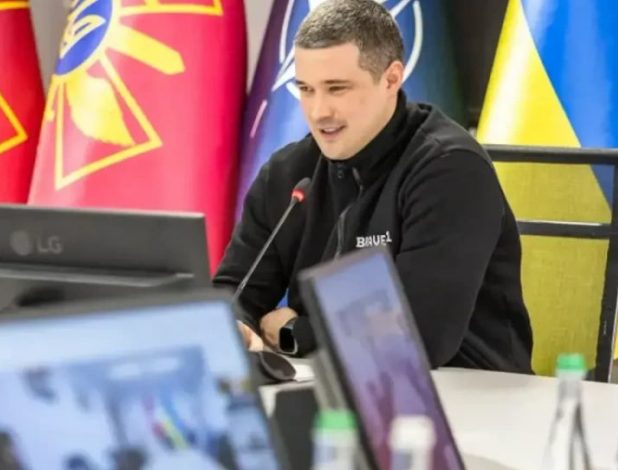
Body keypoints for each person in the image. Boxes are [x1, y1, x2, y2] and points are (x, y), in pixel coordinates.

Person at [214, 0, 533, 373]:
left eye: (337, 89)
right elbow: (235, 292)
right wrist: (233, 327)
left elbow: (420, 337)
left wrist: (299, 333)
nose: (318, 111)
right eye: (306, 89)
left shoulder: (450, 169)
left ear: (391, 79)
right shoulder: (288, 174)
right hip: (331, 383)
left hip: (469, 391)